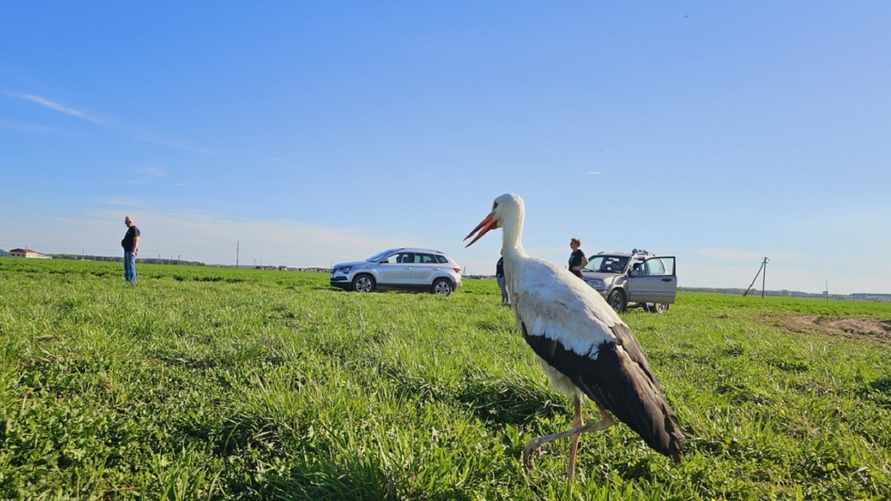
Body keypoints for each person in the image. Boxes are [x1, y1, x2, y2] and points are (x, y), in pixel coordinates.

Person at [121, 216, 140, 284]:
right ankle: (127, 281)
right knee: (126, 267)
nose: (125, 223)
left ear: (130, 222)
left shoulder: (134, 229)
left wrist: (134, 251)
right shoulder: (129, 229)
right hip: (127, 250)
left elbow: (136, 240)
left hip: (131, 251)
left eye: (126, 222)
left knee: (131, 267)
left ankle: (132, 282)